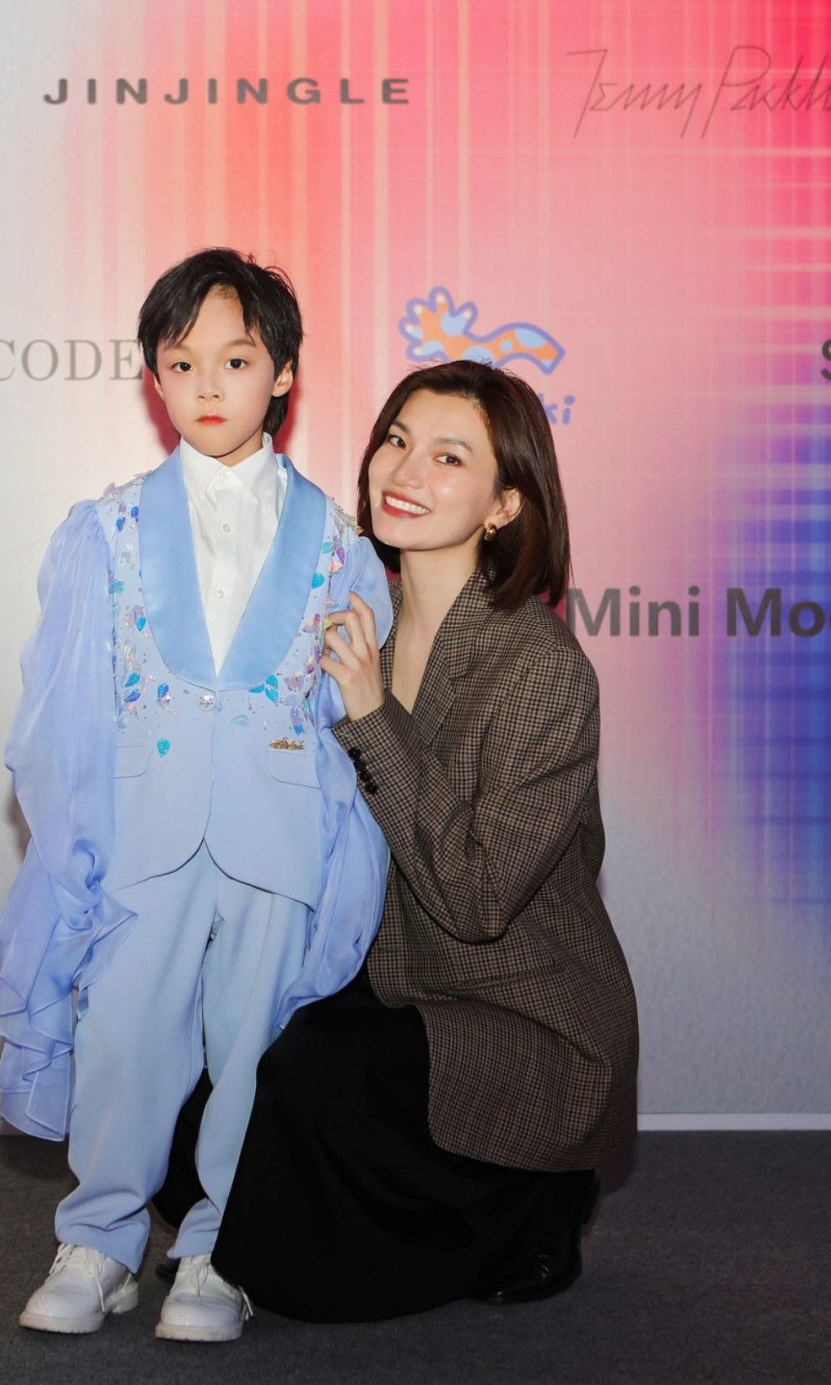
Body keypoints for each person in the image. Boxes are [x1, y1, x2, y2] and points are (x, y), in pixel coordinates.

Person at [0, 248, 392, 1343]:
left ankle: (219, 1246)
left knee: (252, 1043)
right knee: (123, 1032)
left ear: (283, 373)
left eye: (236, 360)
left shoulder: (340, 542)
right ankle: (102, 1238)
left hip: (278, 828)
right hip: (143, 828)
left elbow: (344, 708)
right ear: (154, 378)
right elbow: (67, 707)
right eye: (181, 362)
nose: (208, 384)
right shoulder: (107, 528)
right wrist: (75, 839)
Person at [204, 358, 639, 1321]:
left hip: (513, 1006)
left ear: (505, 504)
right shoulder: (351, 613)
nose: (405, 470)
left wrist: (372, 716)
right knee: (202, 1063)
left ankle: (532, 1205)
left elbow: (477, 899)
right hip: (379, 969)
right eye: (397, 439)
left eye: (449, 456)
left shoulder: (540, 667)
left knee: (311, 1076)